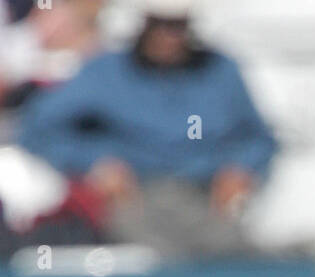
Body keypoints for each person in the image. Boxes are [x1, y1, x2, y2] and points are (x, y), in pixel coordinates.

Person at [16, 0, 276, 260]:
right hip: (135, 200)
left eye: (177, 25)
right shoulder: (106, 72)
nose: (169, 36)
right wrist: (95, 163)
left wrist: (242, 168)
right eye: (159, 25)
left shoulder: (220, 71)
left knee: (234, 255)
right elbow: (36, 128)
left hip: (206, 200)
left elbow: (258, 138)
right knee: (156, 259)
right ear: (143, 24)